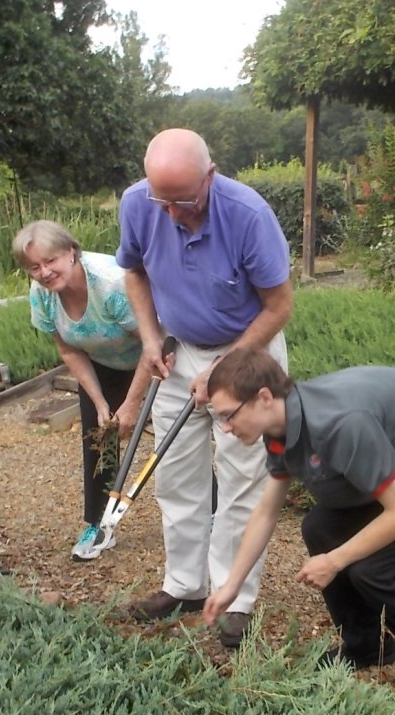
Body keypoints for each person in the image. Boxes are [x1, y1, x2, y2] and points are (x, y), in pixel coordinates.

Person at [201, 348, 395, 703]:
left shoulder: (339, 425)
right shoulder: (279, 426)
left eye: (229, 415)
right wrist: (231, 586)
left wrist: (335, 561)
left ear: (263, 397)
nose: (225, 428)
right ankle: (366, 645)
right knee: (319, 529)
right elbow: (266, 512)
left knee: (371, 569)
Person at [115, 128, 293, 647]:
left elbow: (279, 306)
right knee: (174, 473)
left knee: (241, 476)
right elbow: (134, 273)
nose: (172, 213)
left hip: (246, 349)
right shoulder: (137, 203)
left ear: (210, 176)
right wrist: (150, 338)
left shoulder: (248, 215)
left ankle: (234, 600)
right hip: (178, 348)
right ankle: (184, 586)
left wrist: (222, 370)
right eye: (162, 201)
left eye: (184, 200)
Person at [13, 220, 153, 560]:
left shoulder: (111, 284)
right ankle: (99, 523)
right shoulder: (42, 294)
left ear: (71, 252)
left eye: (51, 261)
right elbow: (69, 350)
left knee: (173, 440)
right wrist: (101, 402)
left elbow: (154, 344)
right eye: (34, 267)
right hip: (104, 362)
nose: (44, 272)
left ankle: (210, 509)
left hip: (155, 358)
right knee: (98, 437)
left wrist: (132, 403)